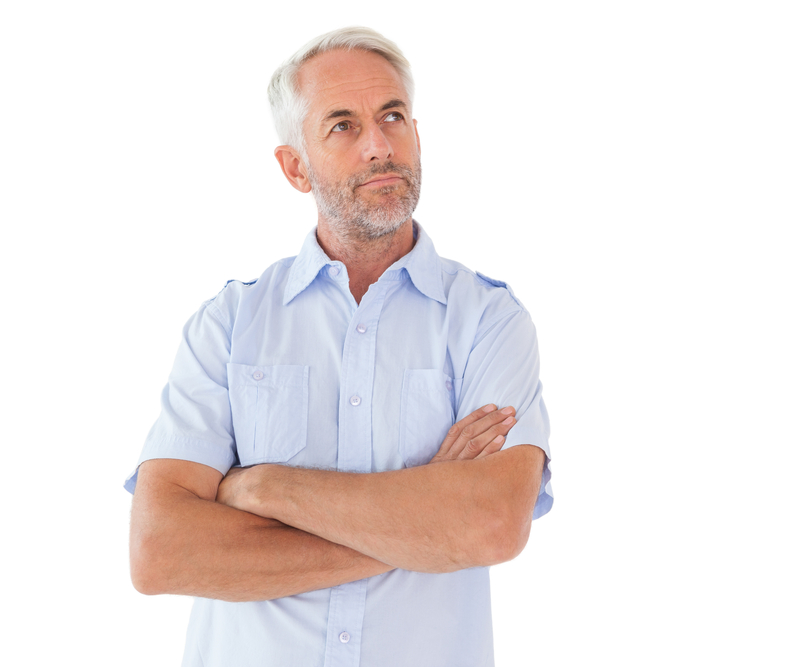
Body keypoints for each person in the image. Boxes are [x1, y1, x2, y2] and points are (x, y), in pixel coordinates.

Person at [124, 26, 552, 667]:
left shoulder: (489, 321)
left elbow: (491, 524)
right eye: (343, 126)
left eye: (393, 117)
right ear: (295, 167)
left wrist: (263, 488)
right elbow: (161, 552)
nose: (380, 145)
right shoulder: (229, 325)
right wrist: (426, 528)